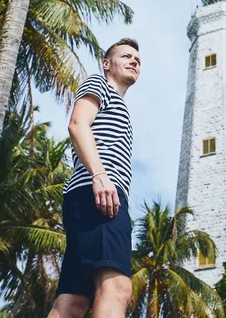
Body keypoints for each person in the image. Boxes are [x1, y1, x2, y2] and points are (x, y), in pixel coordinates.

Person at [48, 38, 141, 318]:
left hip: (87, 196)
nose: (134, 61)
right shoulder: (98, 83)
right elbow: (77, 124)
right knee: (116, 287)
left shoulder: (120, 106)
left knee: (73, 300)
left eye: (137, 59)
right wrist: (99, 175)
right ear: (106, 64)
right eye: (126, 56)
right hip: (98, 192)